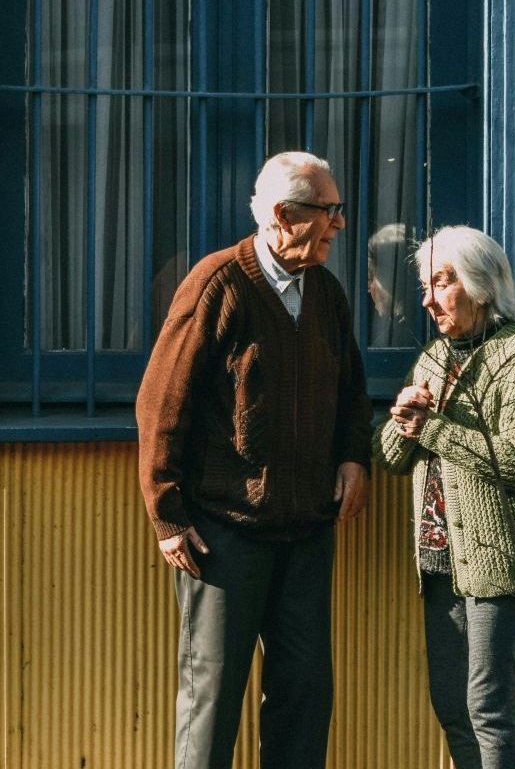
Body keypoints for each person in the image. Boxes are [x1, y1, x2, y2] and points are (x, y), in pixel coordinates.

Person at [136, 151, 373, 769]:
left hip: (306, 530)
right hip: (222, 533)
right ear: (280, 214)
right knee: (212, 700)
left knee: (304, 694)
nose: (339, 225)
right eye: (328, 211)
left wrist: (353, 457)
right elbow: (161, 402)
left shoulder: (325, 292)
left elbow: (350, 389)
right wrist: (166, 512)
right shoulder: (218, 284)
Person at [372, 225, 515, 769]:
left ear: (479, 284)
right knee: (452, 705)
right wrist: (403, 417)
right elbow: (391, 456)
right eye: (425, 286)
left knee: (487, 708)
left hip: (496, 563)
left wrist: (430, 429)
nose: (427, 300)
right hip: (438, 561)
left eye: (440, 283)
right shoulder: (435, 357)